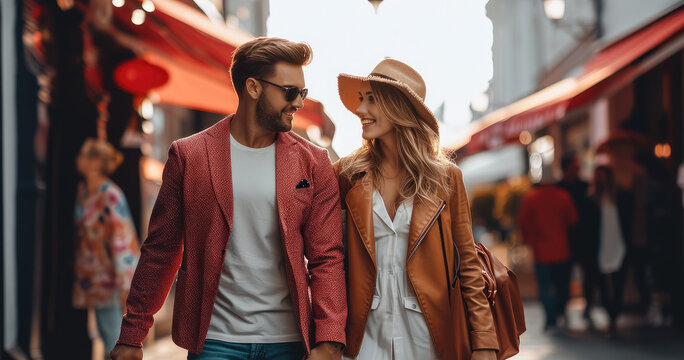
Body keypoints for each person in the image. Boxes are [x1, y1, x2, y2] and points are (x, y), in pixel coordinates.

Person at [111, 37, 347, 360]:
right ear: (253, 87)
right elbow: (161, 250)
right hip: (214, 341)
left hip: (289, 342)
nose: (299, 103)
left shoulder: (313, 163)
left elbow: (327, 257)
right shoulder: (189, 156)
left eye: (302, 93)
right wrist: (132, 334)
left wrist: (330, 339)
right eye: (290, 92)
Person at [335, 59, 498, 360]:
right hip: (363, 339)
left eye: (371, 100)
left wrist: (484, 339)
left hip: (429, 337)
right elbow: (328, 259)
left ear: (397, 107)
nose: (360, 110)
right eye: (361, 99)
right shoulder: (345, 174)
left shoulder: (446, 178)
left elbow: (468, 263)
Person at [73, 138, 140, 355]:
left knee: (113, 337)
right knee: (104, 334)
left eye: (83, 155)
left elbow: (122, 239)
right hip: (90, 277)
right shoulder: (83, 191)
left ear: (94, 162)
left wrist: (126, 284)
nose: (78, 159)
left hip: (111, 277)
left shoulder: (110, 194)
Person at [518, 167, 578, 331]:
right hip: (562, 249)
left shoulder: (531, 198)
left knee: (544, 287)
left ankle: (550, 319)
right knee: (562, 285)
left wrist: (529, 241)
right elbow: (573, 220)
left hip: (540, 251)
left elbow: (523, 223)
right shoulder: (562, 196)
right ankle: (560, 311)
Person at [557, 154, 598, 325]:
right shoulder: (558, 188)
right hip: (565, 239)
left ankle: (588, 307)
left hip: (586, 238)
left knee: (589, 275)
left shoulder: (585, 186)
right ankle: (563, 310)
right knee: (564, 277)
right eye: (575, 166)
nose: (577, 170)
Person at [589, 165, 630, 335]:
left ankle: (615, 313)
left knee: (619, 279)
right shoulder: (592, 199)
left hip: (618, 242)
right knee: (602, 281)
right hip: (600, 245)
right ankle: (609, 310)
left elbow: (629, 218)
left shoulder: (620, 196)